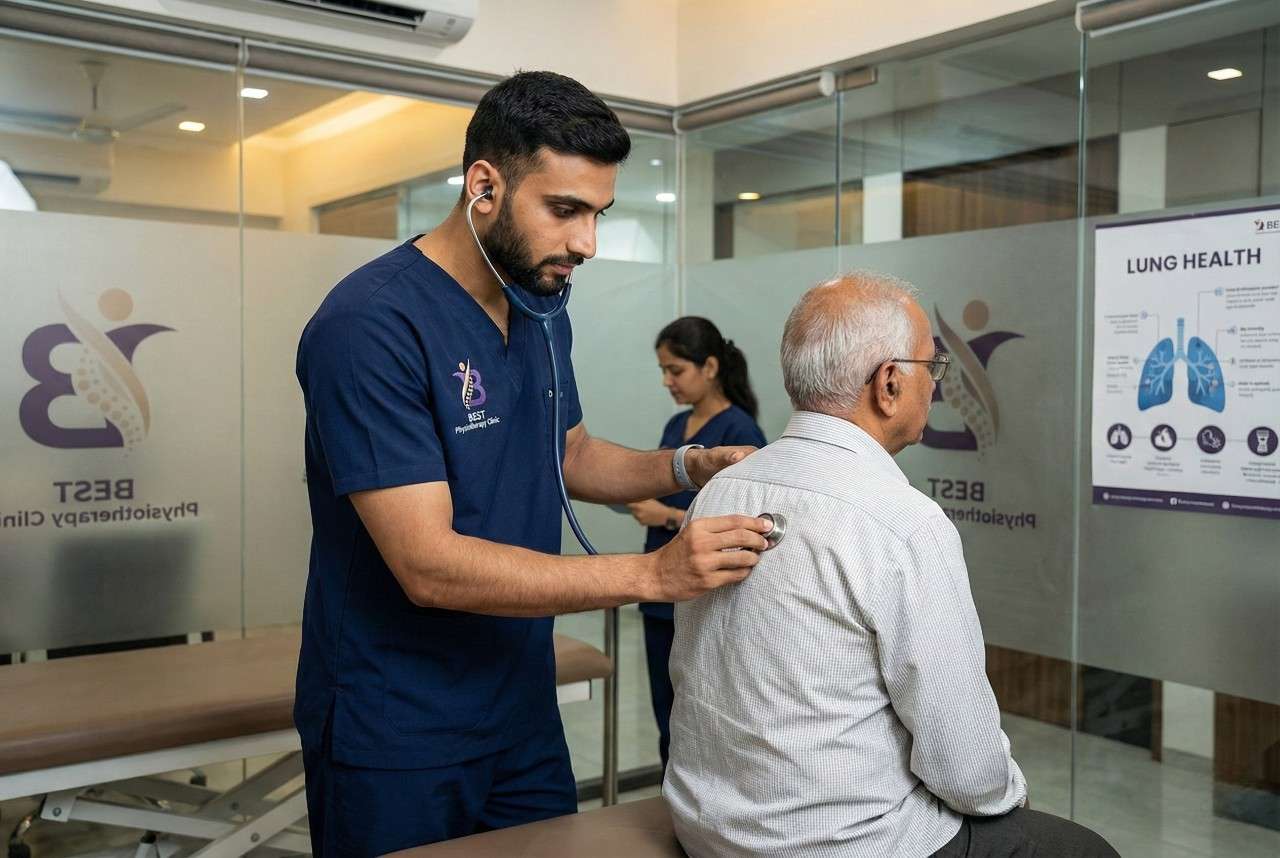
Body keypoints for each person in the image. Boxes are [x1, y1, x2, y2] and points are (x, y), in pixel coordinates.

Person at [294, 71, 773, 857]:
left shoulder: (539, 305)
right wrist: (653, 574)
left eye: (597, 214)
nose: (587, 244)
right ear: (484, 185)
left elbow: (569, 452)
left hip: (520, 707)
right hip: (398, 722)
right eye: (565, 210)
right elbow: (428, 566)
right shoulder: (370, 325)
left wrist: (691, 465)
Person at [665, 273, 1120, 858]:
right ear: (889, 384)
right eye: (933, 368)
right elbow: (967, 769)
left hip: (707, 826)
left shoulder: (722, 489)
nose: (936, 385)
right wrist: (1012, 794)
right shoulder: (903, 522)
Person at [627, 317, 766, 769]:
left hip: (707, 597)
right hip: (659, 596)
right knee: (665, 716)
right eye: (663, 371)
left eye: (676, 370)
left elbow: (746, 523)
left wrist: (667, 517)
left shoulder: (740, 432)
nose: (667, 381)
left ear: (710, 367)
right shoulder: (676, 425)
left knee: (702, 721)